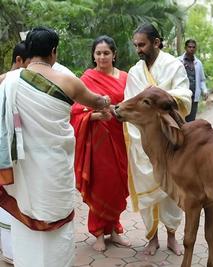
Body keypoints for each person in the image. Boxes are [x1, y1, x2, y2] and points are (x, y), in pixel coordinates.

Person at [0, 26, 111, 267]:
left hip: (22, 169)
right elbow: (96, 101)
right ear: (53, 52)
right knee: (56, 221)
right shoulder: (68, 81)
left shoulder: (7, 81)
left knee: (24, 217)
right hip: (54, 167)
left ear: (28, 52)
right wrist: (107, 102)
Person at [124, 23, 192, 256]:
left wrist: (157, 97)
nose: (138, 50)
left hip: (169, 139)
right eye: (135, 46)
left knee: (172, 192)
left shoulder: (174, 66)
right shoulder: (135, 72)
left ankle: (172, 236)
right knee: (147, 192)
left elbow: (185, 97)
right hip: (142, 140)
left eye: (141, 44)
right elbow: (130, 105)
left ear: (156, 42)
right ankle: (151, 238)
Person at [70, 35, 129, 252]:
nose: (102, 57)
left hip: (121, 137)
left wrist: (117, 112)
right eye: (98, 53)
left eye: (106, 53)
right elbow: (75, 111)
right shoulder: (86, 79)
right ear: (93, 55)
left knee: (118, 185)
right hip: (97, 142)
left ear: (114, 54)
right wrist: (95, 117)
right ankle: (98, 234)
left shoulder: (125, 77)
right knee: (100, 184)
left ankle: (114, 230)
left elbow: (131, 105)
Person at [0, 41, 30, 265]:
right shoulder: (9, 82)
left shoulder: (19, 84)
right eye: (30, 63)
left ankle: (12, 252)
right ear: (19, 61)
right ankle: (11, 253)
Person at [178, 39, 208, 121]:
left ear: (196, 49)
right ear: (185, 48)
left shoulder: (198, 63)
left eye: (193, 47)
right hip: (181, 97)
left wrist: (204, 90)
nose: (191, 49)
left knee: (191, 121)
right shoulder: (178, 61)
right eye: (189, 47)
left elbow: (202, 79)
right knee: (181, 120)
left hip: (194, 97)